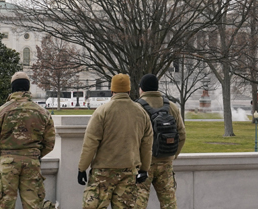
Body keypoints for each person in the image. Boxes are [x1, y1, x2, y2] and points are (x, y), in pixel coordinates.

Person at [0, 71, 58, 209]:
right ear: (28, 88)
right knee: (33, 205)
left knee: (6, 204)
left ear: (12, 88)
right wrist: (35, 154)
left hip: (7, 163)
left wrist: (2, 157)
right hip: (31, 163)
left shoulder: (0, 112)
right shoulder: (42, 112)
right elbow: (50, 143)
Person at [78, 74, 153, 209]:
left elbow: (90, 143)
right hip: (129, 172)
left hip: (103, 172)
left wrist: (82, 168)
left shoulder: (102, 111)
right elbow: (147, 145)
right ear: (129, 91)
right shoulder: (141, 113)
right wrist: (144, 169)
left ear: (112, 91)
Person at [134, 74, 186, 209]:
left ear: (142, 89)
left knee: (139, 202)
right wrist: (172, 156)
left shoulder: (137, 108)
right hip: (166, 163)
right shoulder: (171, 107)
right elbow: (182, 134)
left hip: (143, 164)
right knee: (169, 203)